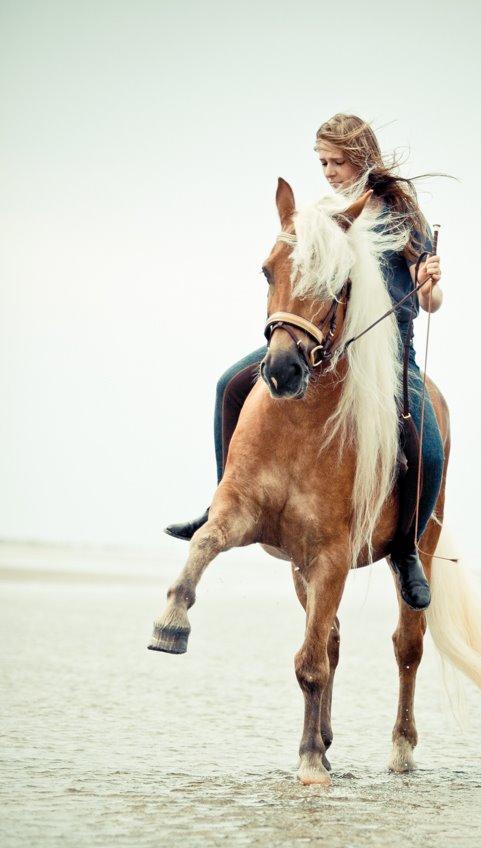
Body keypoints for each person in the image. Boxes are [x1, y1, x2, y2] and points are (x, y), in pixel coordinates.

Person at [165, 113, 444, 609]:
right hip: (319, 344)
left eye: (338, 161)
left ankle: (404, 549)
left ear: (362, 156)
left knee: (428, 445)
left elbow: (431, 302)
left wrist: (430, 283)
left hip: (386, 357)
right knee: (229, 384)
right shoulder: (319, 212)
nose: (330, 172)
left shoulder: (403, 216)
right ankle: (219, 502)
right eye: (322, 162)